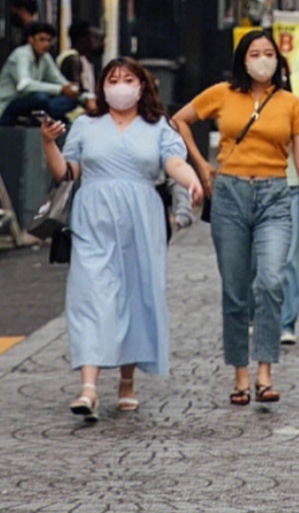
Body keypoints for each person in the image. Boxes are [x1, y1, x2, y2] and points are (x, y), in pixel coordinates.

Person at [39, 57, 202, 421]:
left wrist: (191, 180)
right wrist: (49, 144)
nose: (120, 85)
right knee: (90, 294)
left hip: (141, 217)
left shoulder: (157, 125)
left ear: (142, 86)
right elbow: (66, 172)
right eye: (113, 79)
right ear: (102, 86)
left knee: (135, 292)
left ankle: (127, 380)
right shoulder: (85, 125)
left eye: (128, 79)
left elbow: (174, 162)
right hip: (92, 216)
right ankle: (88, 388)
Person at [173, 30, 299, 406]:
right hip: (229, 195)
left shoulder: (291, 104)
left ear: (279, 59)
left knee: (271, 281)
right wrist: (202, 165)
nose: (261, 59)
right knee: (235, 290)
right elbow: (180, 119)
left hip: (275, 196)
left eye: (268, 52)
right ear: (242, 59)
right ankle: (240, 375)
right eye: (254, 53)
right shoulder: (223, 94)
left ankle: (265, 371)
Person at [0, 21, 83, 126]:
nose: (46, 44)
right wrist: (60, 90)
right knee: (41, 99)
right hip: (7, 107)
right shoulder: (21, 54)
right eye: (42, 39)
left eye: (49, 40)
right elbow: (24, 85)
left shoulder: (45, 57)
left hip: (30, 104)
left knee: (69, 101)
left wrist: (79, 94)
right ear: (31, 39)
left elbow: (59, 80)